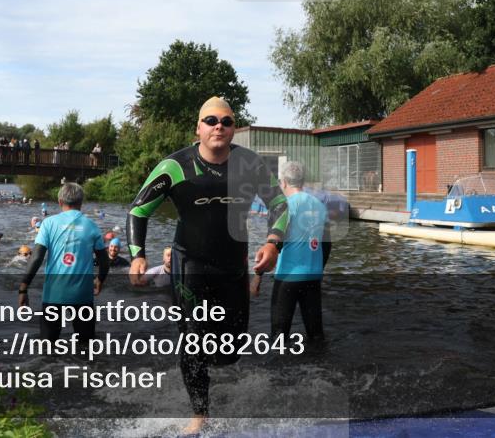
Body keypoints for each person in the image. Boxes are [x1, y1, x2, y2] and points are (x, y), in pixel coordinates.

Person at [127, 97, 288, 434]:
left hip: (232, 266)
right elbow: (138, 211)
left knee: (230, 352)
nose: (219, 126)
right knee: (192, 339)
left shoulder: (250, 164)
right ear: (198, 128)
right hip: (190, 263)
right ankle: (199, 414)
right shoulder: (175, 166)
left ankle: (203, 369)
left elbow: (279, 204)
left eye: (226, 122)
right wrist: (138, 254)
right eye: (211, 120)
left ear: (233, 129)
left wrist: (273, 243)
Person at [251, 161, 330, 346]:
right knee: (316, 334)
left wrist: (256, 279)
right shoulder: (320, 205)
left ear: (284, 182)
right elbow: (327, 245)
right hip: (313, 277)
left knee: (279, 336)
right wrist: (319, 269)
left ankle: (279, 373)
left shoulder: (283, 206)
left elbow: (272, 247)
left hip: (287, 278)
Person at [19, 182, 109, 341]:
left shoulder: (48, 224)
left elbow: (37, 257)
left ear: (60, 202)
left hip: (54, 294)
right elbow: (104, 261)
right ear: (81, 203)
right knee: (86, 345)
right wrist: (100, 280)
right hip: (83, 295)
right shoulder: (92, 226)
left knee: (48, 345)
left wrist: (23, 288)